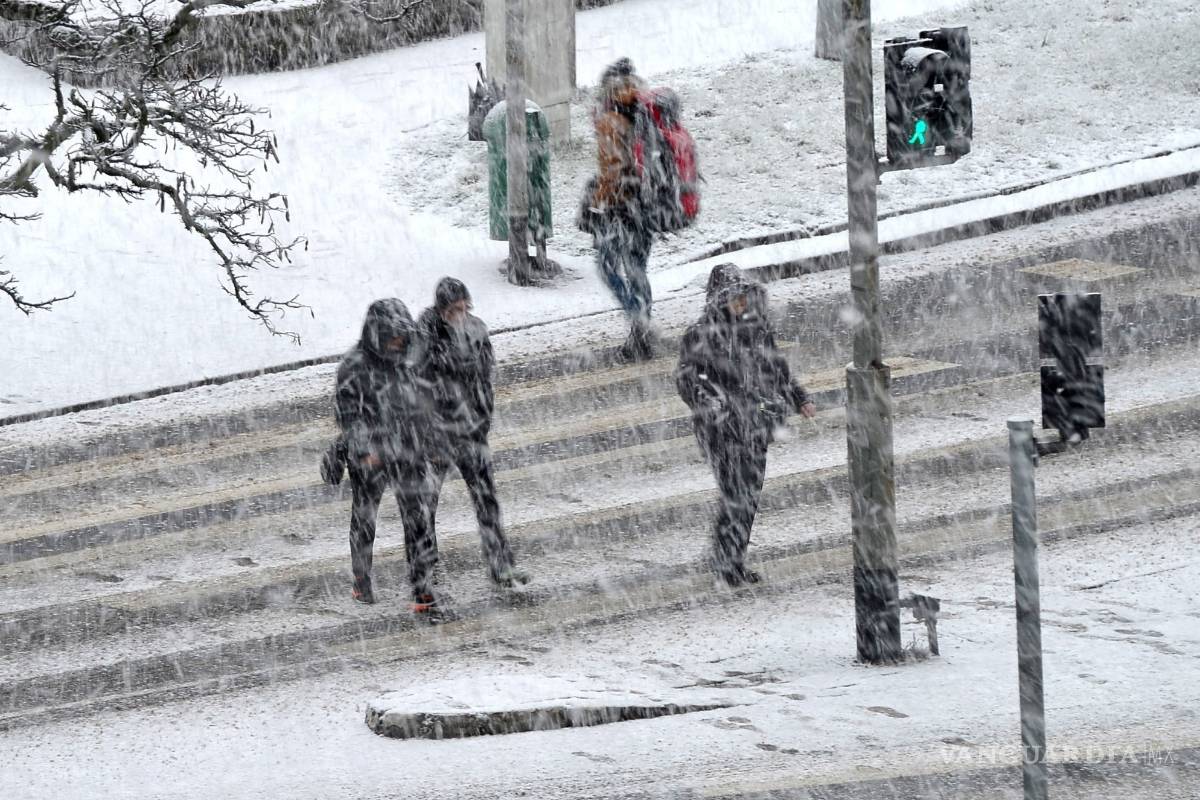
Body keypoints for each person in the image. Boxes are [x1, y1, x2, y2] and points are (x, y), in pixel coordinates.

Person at [675, 266, 817, 586]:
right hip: (722, 432)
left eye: (743, 298)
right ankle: (726, 562)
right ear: (719, 300)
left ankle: (731, 558)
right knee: (735, 496)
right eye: (735, 299)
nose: (741, 304)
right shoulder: (700, 334)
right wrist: (715, 406)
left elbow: (776, 367)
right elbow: (687, 380)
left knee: (748, 496)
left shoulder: (756, 328)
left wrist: (798, 397)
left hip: (755, 425)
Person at [416, 277, 528, 588]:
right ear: (441, 311)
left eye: (466, 307)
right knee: (425, 504)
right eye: (454, 309)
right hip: (438, 436)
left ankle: (501, 563)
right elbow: (420, 392)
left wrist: (481, 420)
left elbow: (484, 378)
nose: (461, 314)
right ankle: (424, 565)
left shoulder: (477, 330)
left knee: (486, 500)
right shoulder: (424, 338)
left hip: (472, 432)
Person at [334, 298, 439, 610]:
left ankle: (422, 587)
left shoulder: (406, 359)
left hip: (407, 450)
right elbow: (349, 416)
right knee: (365, 519)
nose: (399, 343)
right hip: (373, 457)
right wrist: (365, 451)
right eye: (393, 336)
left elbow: (423, 403)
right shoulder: (354, 368)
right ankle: (361, 581)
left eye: (402, 337)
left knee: (418, 518)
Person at [582, 57, 657, 362]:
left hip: (620, 209)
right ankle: (641, 336)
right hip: (648, 204)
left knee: (607, 266)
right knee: (637, 270)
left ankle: (638, 321)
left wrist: (597, 203)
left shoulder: (611, 120)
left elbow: (614, 172)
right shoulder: (643, 112)